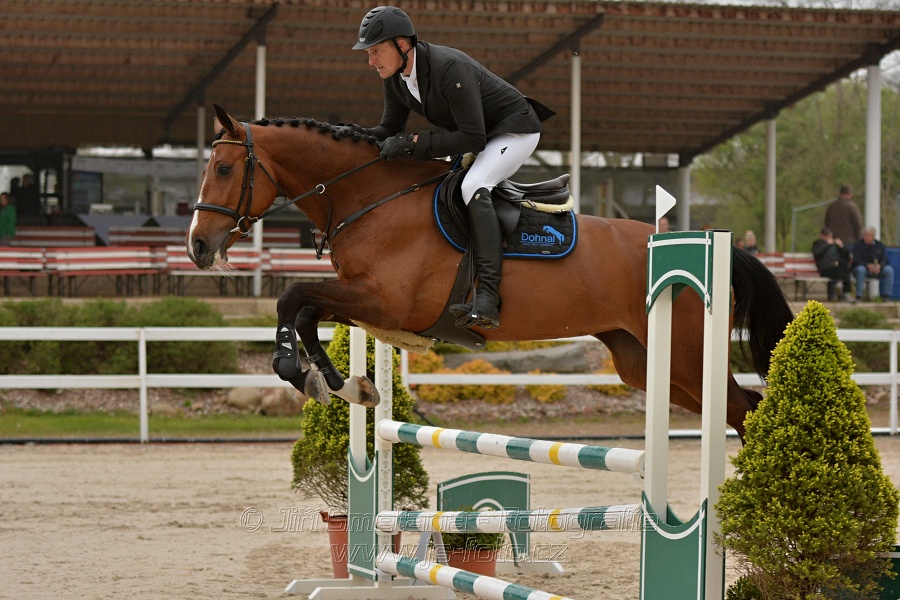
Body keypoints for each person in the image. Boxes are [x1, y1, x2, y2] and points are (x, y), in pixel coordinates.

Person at [350, 6, 553, 330]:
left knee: (473, 186)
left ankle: (488, 296)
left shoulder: (449, 68)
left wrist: (416, 145)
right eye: (369, 53)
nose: (371, 60)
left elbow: (472, 137)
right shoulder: (396, 79)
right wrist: (350, 136)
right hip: (480, 135)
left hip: (514, 130)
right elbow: (387, 130)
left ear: (402, 45)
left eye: (376, 51)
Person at [851, 227, 894, 302]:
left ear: (873, 236)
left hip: (877, 269)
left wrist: (880, 266)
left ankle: (886, 296)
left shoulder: (879, 245)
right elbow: (856, 259)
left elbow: (884, 259)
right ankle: (859, 296)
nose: (868, 237)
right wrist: (867, 265)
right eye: (866, 235)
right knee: (861, 270)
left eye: (870, 235)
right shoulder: (858, 246)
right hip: (862, 269)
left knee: (889, 270)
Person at [812, 227, 852, 302]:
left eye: (829, 235)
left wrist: (842, 246)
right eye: (826, 235)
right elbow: (817, 254)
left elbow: (847, 256)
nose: (828, 237)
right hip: (825, 268)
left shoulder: (836, 245)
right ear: (821, 235)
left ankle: (841, 288)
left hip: (837, 267)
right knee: (844, 271)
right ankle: (844, 292)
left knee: (844, 265)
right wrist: (827, 245)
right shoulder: (817, 243)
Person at [824, 184, 863, 249]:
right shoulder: (852, 207)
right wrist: (859, 239)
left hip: (834, 241)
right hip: (850, 241)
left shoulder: (831, 207)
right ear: (849, 194)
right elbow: (858, 224)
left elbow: (826, 223)